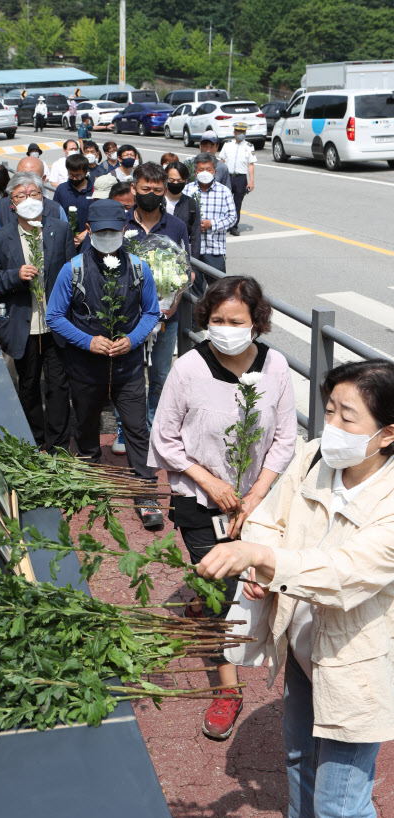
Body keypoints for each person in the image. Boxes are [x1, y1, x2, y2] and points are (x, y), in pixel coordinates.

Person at [196, 359, 394, 817]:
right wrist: (264, 567)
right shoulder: (314, 458)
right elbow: (269, 520)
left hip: (356, 666)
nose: (333, 426)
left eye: (348, 416)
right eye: (329, 411)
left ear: (387, 434)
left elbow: (344, 572)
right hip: (304, 649)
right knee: (300, 760)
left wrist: (265, 560)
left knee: (338, 805)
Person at [148, 275, 297, 740]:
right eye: (217, 320)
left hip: (259, 503)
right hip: (199, 502)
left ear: (257, 323)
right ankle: (227, 691)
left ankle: (199, 605)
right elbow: (166, 437)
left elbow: (285, 439)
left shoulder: (275, 367)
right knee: (220, 595)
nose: (226, 328)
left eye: (237, 320)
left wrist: (253, 497)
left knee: (253, 584)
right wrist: (209, 481)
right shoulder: (189, 368)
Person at [46, 199, 163, 529]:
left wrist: (134, 338)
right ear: (88, 231)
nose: (108, 236)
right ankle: (90, 478)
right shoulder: (74, 270)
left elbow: (152, 312)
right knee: (86, 425)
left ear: (125, 229)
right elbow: (54, 316)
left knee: (137, 428)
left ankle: (145, 492)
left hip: (127, 367)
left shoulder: (140, 269)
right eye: (101, 232)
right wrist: (88, 340)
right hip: (85, 367)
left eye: (114, 230)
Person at [0, 172, 75, 452]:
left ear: (43, 198)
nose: (28, 199)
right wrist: (15, 276)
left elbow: (72, 270)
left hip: (56, 325)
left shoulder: (59, 229)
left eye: (34, 193)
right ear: (12, 203)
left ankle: (59, 444)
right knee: (29, 384)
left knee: (58, 387)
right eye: (21, 195)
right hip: (23, 324)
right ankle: (35, 439)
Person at [124, 162, 190, 430]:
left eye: (157, 189)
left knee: (160, 374)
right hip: (128, 319)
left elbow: (185, 272)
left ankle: (155, 426)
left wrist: (172, 305)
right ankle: (125, 426)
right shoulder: (121, 225)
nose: (151, 193)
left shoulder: (176, 226)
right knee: (128, 374)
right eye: (145, 188)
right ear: (133, 188)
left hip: (166, 318)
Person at [0, 156, 67, 239]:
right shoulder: (1, 207)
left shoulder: (56, 210)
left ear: (43, 179)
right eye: (22, 177)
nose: (27, 183)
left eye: (33, 178)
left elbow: (65, 241)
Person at [184, 152, 236, 276]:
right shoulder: (187, 190)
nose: (205, 172)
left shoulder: (224, 191)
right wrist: (193, 225)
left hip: (215, 250)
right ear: (195, 172)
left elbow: (232, 218)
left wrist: (212, 224)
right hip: (193, 250)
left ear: (214, 172)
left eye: (208, 169)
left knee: (218, 289)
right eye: (201, 169)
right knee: (194, 291)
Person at [219, 122, 256, 236]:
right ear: (234, 132)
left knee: (237, 203)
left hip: (241, 178)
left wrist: (251, 181)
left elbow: (250, 164)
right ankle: (224, 224)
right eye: (239, 132)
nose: (241, 134)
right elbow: (222, 161)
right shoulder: (227, 144)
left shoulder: (249, 146)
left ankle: (234, 226)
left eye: (243, 132)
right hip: (228, 177)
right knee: (225, 202)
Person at [53, 153, 94, 248]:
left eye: (78, 175)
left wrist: (85, 234)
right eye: (71, 175)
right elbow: (55, 215)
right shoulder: (61, 190)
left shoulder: (94, 190)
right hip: (66, 239)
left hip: (89, 239)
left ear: (86, 172)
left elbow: (100, 215)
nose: (74, 178)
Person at [164, 160, 201, 260]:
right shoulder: (157, 202)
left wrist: (193, 264)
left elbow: (195, 238)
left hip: (180, 259)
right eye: (171, 180)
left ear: (185, 180)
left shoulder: (191, 205)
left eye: (179, 181)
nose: (175, 183)